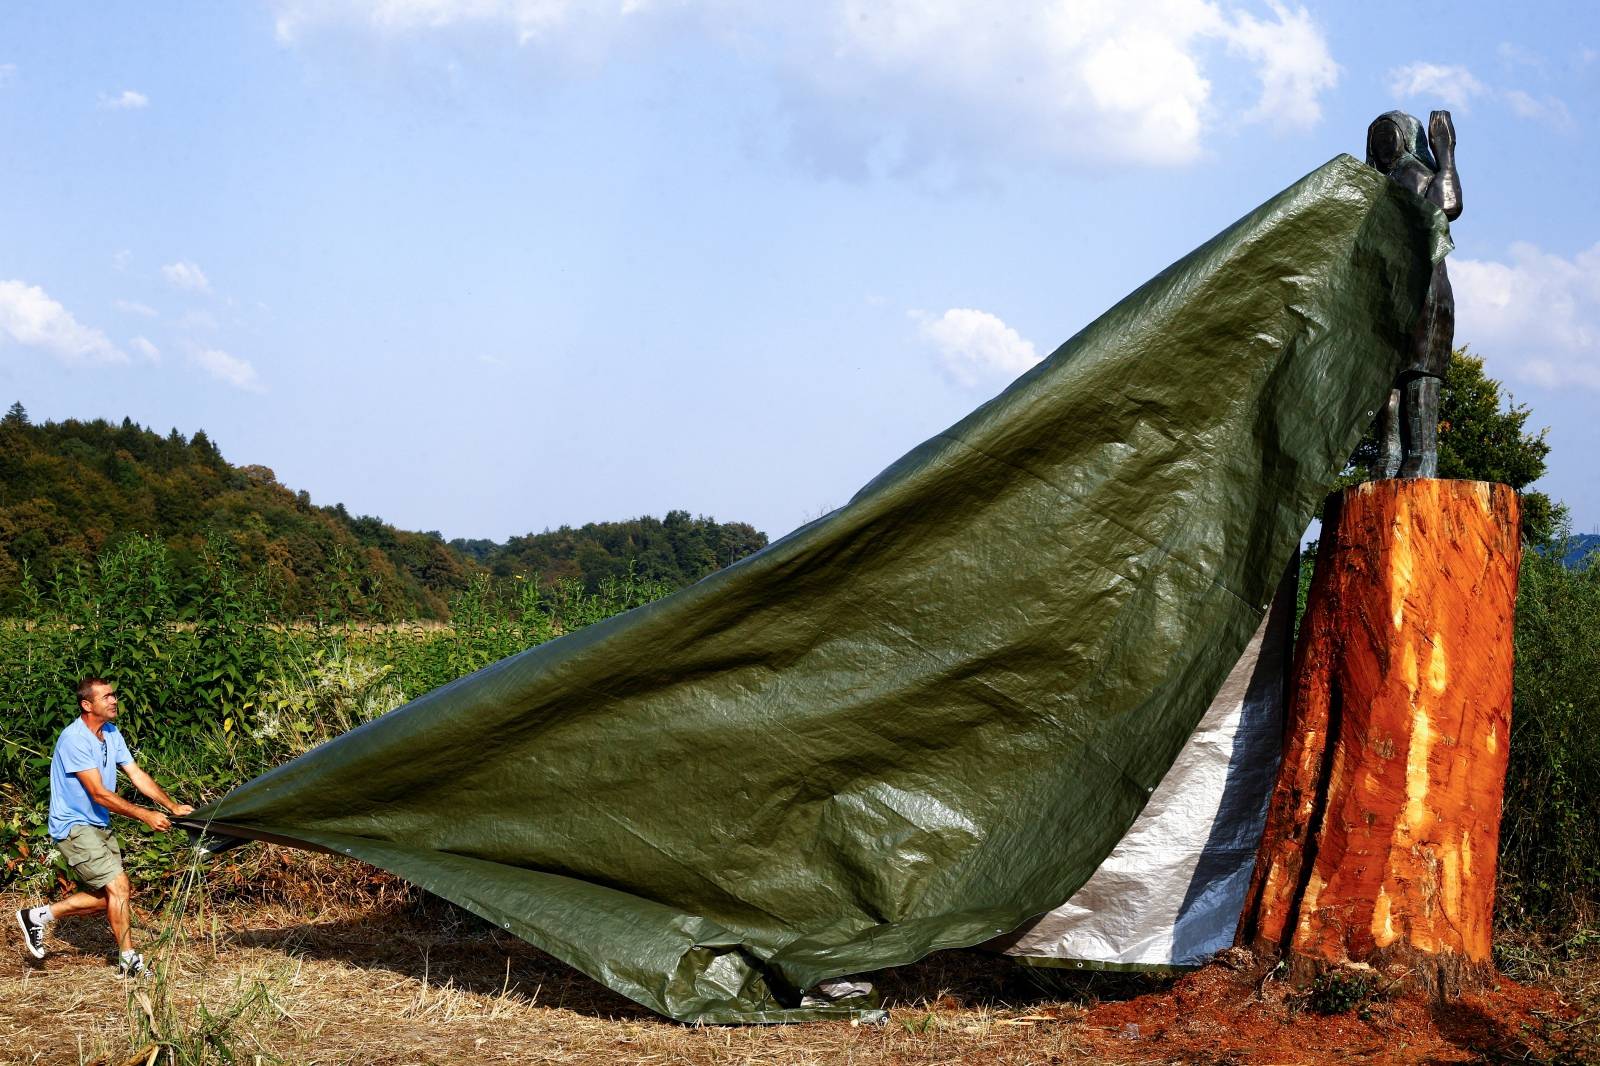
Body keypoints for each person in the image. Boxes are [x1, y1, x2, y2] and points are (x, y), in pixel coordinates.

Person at [14, 678, 194, 975]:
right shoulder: (74, 739)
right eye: (107, 697)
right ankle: (129, 961)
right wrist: (144, 815)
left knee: (111, 896)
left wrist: (171, 806)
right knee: (119, 886)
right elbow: (98, 793)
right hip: (73, 825)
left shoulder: (111, 733)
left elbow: (136, 774)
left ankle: (37, 916)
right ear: (87, 705)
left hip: (99, 823)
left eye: (114, 695)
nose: (114, 701)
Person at [1364, 108, 1463, 479]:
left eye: (1390, 137)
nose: (1385, 144)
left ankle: (1422, 455)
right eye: (1379, 139)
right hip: (1383, 296)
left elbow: (1449, 205)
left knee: (1419, 374)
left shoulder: (1418, 175)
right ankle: (1388, 455)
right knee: (1386, 379)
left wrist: (1446, 154)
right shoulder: (1371, 184)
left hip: (1424, 290)